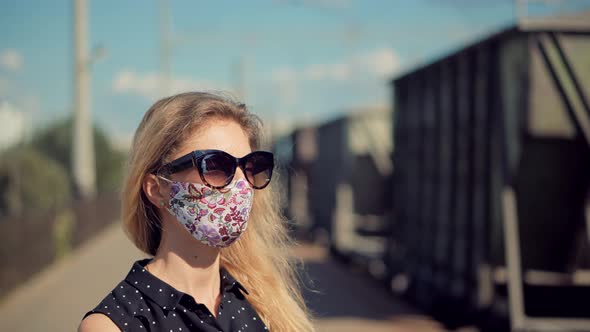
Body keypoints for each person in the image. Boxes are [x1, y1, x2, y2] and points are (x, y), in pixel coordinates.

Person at [78, 92, 315, 332]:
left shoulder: (262, 301)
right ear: (157, 189)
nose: (241, 183)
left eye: (250, 166)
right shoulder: (114, 325)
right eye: (215, 165)